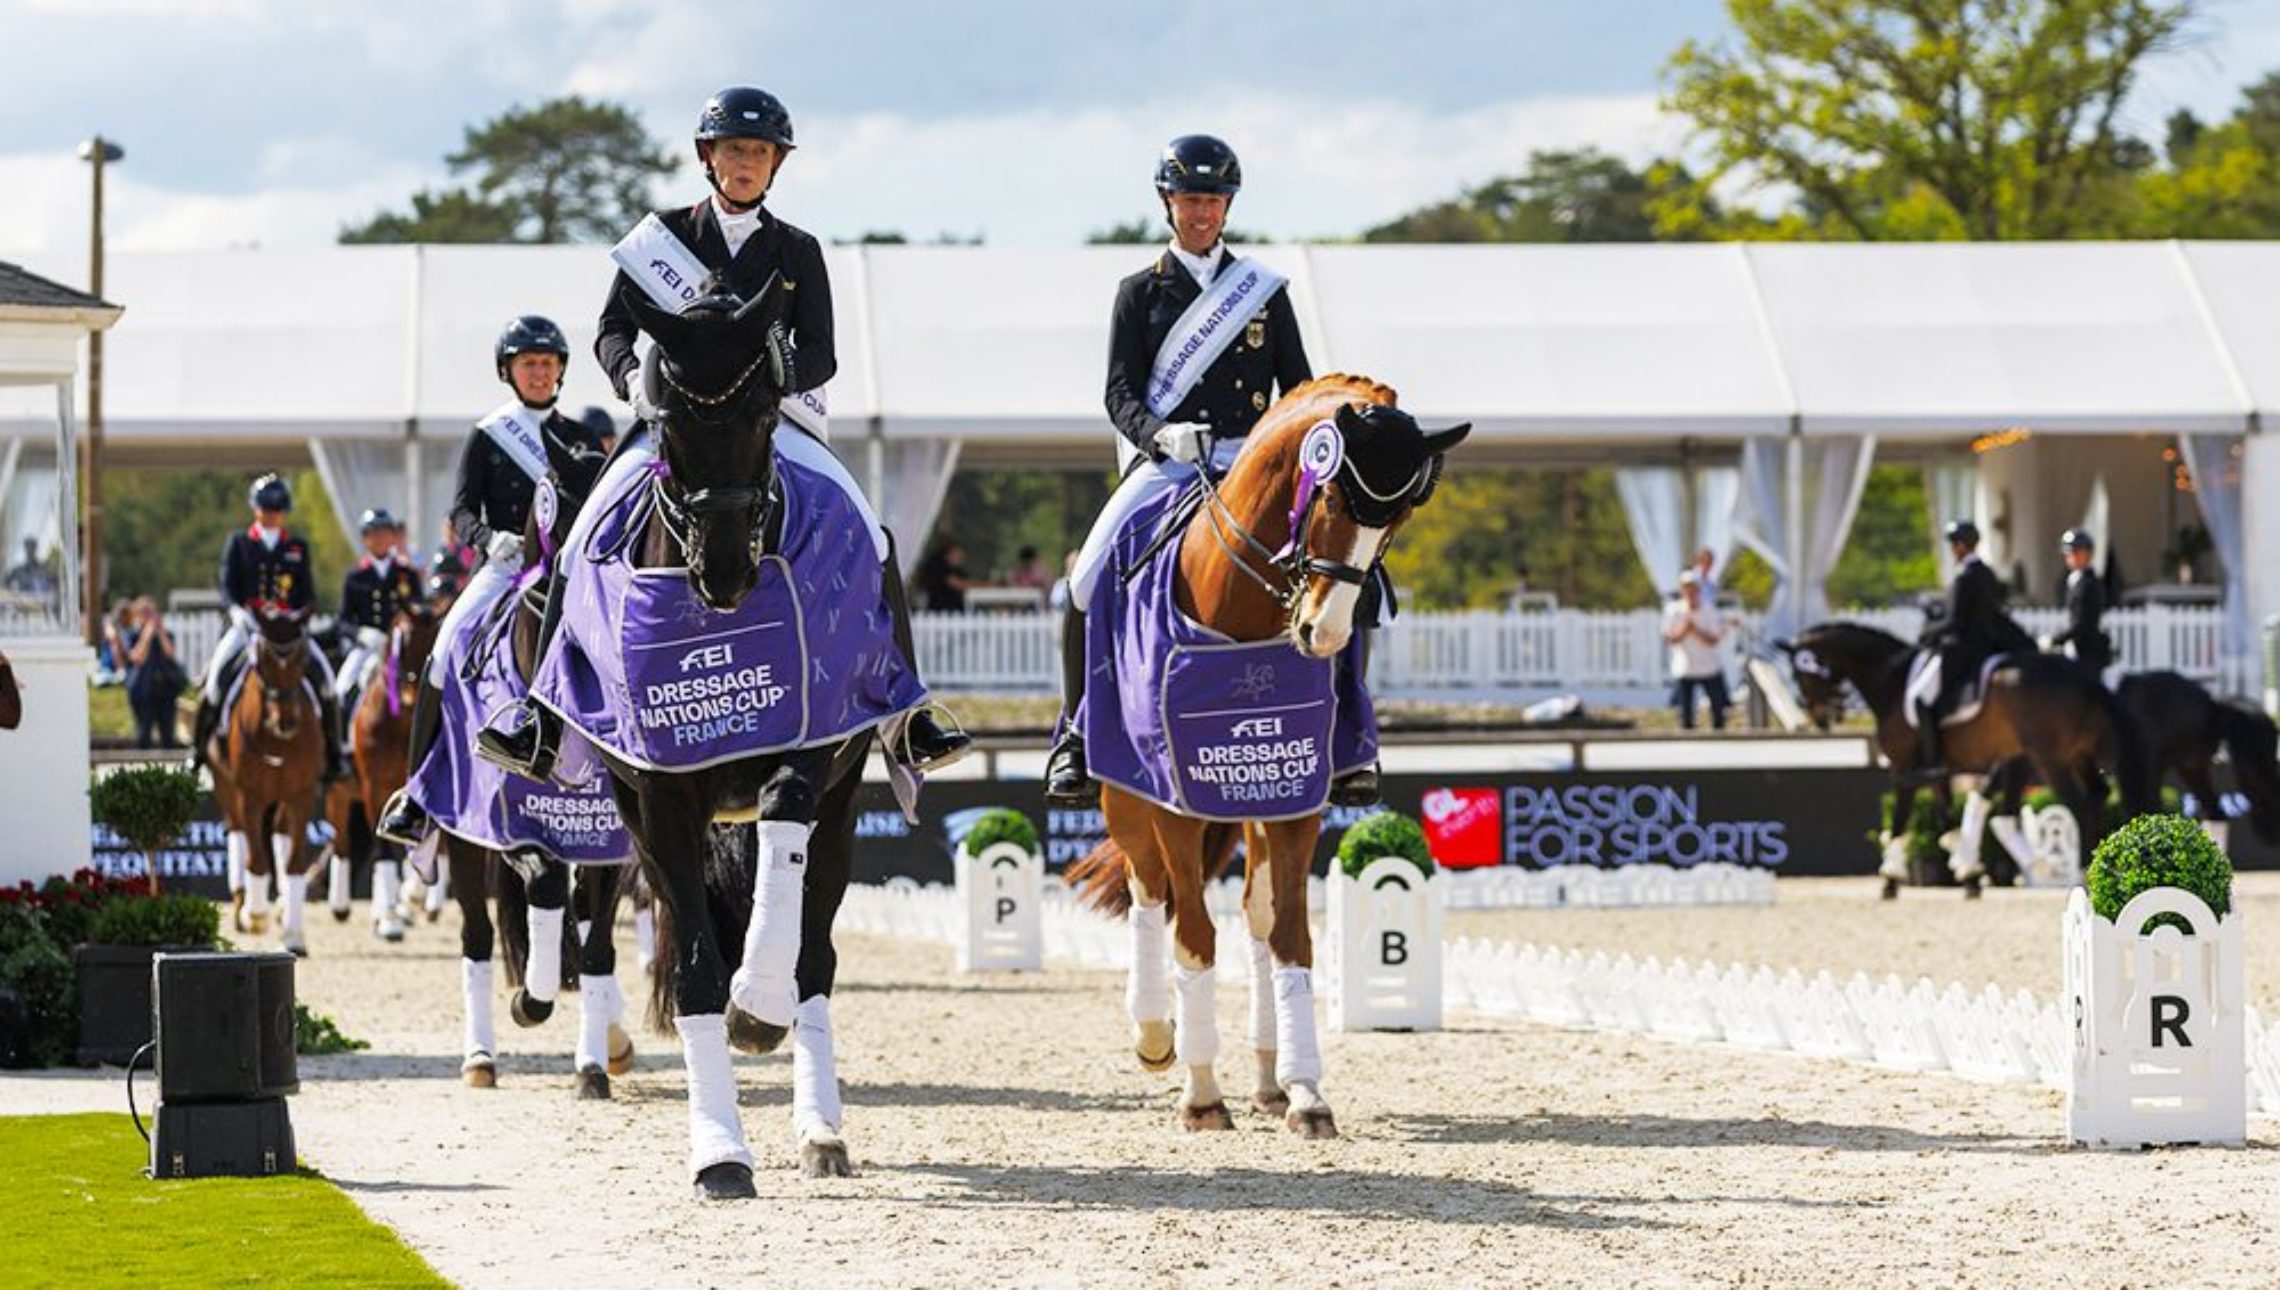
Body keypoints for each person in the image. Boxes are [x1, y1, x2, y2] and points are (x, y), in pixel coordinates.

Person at [473, 84, 969, 783]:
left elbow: (822, 351)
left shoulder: (797, 251)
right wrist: (629, 382)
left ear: (775, 166)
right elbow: (613, 331)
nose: (745, 162)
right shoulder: (663, 237)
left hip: (771, 422)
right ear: (709, 158)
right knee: (579, 539)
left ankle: (905, 714)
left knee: (870, 532)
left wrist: (779, 368)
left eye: (759, 152)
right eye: (734, 149)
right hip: (672, 424)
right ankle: (542, 716)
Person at [1049, 133, 1372, 804]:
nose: (1202, 214)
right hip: (1171, 462)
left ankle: (1350, 744)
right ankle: (1076, 738)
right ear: (1168, 203)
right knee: (1082, 582)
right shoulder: (1140, 293)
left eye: (1214, 201)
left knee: (1353, 572)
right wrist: (1160, 436)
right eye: (1191, 201)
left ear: (1228, 206)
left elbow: (1300, 390)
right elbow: (1118, 394)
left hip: (1253, 464)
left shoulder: (1263, 292)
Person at [372, 316, 610, 843]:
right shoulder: (489, 435)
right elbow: (460, 512)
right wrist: (487, 539)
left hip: (564, 572)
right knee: (444, 648)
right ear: (509, 370)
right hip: (504, 569)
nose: (540, 373)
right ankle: (415, 797)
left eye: (548, 364)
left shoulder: (582, 437)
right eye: (529, 364)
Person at [185, 473, 345, 781]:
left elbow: (307, 592)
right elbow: (227, 585)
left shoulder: (297, 546)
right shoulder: (241, 543)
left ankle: (335, 754)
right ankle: (199, 749)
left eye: (277, 510)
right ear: (256, 509)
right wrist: (236, 610)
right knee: (216, 680)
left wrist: (297, 616)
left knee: (325, 681)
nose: (272, 515)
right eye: (266, 509)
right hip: (249, 627)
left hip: (286, 631)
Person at [1904, 518, 2034, 773]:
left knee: (1921, 697)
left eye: (1953, 545)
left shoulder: (1964, 575)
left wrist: (1928, 633)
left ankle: (1934, 761)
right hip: (1986, 646)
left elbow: (1955, 620)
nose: (1952, 550)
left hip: (1961, 648)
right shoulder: (1987, 573)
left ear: (1961, 546)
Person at [335, 508, 423, 707]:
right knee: (341, 689)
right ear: (366, 539)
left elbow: (418, 612)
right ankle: (343, 737)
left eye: (385, 533)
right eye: (375, 534)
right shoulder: (356, 576)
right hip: (368, 646)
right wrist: (359, 634)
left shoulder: (407, 574)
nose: (381, 538)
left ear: (393, 537)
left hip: (401, 648)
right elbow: (344, 620)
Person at [1664, 571, 1729, 730]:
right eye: (1687, 588)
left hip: (1709, 667)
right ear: (1682, 589)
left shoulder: (1709, 609)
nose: (1690, 591)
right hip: (1685, 668)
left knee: (1718, 711)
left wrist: (1695, 630)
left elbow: (1713, 640)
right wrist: (1686, 628)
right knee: (1685, 716)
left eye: (1693, 588)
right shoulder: (1674, 610)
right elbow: (1671, 638)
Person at [2047, 528, 2113, 676]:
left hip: (2088, 651)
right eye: (2069, 553)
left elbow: (2082, 624)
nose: (2072, 556)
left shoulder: (2089, 584)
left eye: (2077, 552)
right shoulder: (2072, 580)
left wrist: (2056, 640)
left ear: (2088, 554)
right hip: (2075, 647)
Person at [124, 597, 185, 748]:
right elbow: (137, 658)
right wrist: (147, 635)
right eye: (144, 613)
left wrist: (161, 632)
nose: (149, 616)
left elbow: (170, 653)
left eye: (151, 612)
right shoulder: (134, 635)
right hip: (143, 690)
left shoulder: (166, 634)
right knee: (143, 734)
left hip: (165, 689)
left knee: (168, 735)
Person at [916, 538, 972, 612]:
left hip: (952, 612)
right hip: (940, 611)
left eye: (962, 558)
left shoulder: (956, 571)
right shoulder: (937, 565)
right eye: (959, 556)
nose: (960, 560)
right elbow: (957, 583)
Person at [3, 538, 54, 602]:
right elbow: (5, 582)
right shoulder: (19, 571)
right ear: (25, 550)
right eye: (28, 548)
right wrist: (13, 595)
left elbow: (52, 582)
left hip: (40, 603)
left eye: (31, 548)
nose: (29, 551)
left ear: (35, 549)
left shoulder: (43, 569)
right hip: (23, 604)